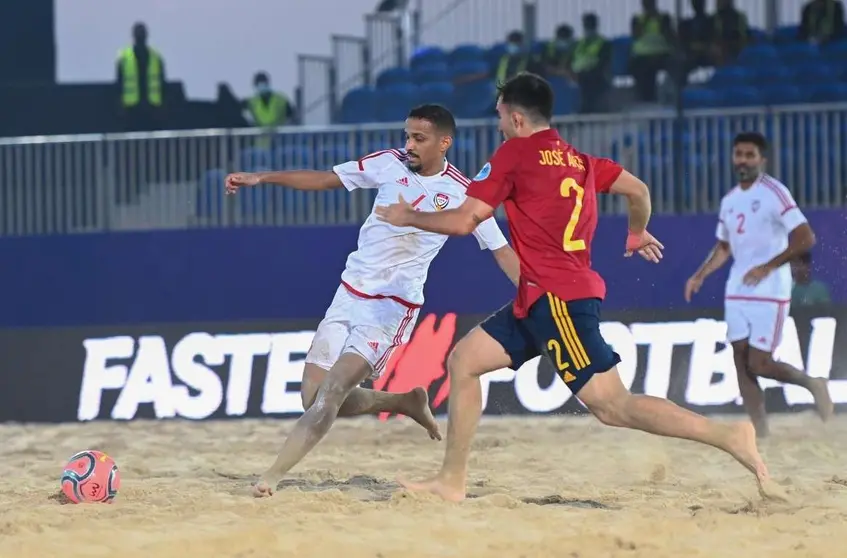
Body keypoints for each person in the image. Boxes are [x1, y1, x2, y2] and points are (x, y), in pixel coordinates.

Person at [375, 73, 776, 502]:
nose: (498, 125)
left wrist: (408, 217)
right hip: (538, 298)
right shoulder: (579, 160)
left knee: (612, 406)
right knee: (465, 361)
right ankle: (452, 481)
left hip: (557, 300)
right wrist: (637, 232)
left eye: (499, 117)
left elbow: (462, 220)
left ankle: (729, 435)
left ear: (515, 116)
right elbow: (638, 190)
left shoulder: (514, 154)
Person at [224, 104, 520, 497]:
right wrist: (263, 177)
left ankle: (270, 477)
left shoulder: (462, 194)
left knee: (331, 392)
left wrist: (535, 291)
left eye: (419, 138)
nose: (409, 145)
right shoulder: (387, 163)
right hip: (348, 294)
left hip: (390, 308)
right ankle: (404, 401)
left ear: (444, 143)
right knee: (311, 396)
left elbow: (500, 249)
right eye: (407, 136)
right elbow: (326, 179)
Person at [684, 132, 833, 438]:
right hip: (737, 289)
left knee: (760, 363)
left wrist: (768, 266)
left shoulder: (775, 192)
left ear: (762, 159)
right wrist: (700, 275)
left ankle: (812, 383)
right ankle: (760, 432)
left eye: (749, 155)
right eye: (738, 154)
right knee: (740, 360)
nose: (743, 160)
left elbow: (806, 238)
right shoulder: (729, 200)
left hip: (770, 289)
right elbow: (724, 247)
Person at [116, 22, 165, 132]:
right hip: (131, 110)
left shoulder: (156, 57)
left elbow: (162, 85)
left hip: (152, 109)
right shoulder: (125, 58)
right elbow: (119, 85)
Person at [629, 0, 675, 102]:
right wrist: (646, 20)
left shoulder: (663, 18)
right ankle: (646, 98)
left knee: (673, 64)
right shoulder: (637, 19)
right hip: (642, 55)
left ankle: (669, 94)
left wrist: (658, 21)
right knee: (639, 68)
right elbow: (635, 35)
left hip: (661, 53)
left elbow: (669, 36)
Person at [571, 13, 612, 114]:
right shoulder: (579, 44)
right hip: (578, 76)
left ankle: (588, 110)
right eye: (586, 25)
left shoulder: (603, 43)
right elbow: (570, 61)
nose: (588, 27)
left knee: (591, 83)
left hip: (595, 75)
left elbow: (604, 62)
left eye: (590, 25)